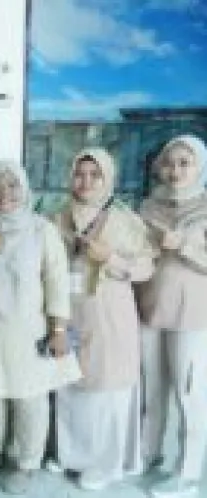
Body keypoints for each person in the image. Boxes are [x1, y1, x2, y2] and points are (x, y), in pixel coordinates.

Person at [0, 160, 81, 495]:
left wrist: (59, 330)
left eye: (12, 185)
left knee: (29, 399)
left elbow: (57, 282)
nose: (3, 193)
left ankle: (27, 463)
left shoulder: (41, 230)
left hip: (27, 333)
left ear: (24, 190)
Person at [49, 148, 153, 490]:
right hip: (69, 311)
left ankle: (105, 464)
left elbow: (146, 268)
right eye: (80, 174)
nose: (86, 181)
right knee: (70, 385)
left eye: (95, 175)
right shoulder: (57, 217)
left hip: (110, 314)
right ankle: (71, 455)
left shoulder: (125, 220)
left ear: (108, 179)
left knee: (107, 388)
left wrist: (111, 259)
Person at [138, 135, 207, 498]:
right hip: (151, 306)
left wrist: (185, 245)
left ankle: (187, 473)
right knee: (152, 388)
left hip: (192, 314)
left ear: (200, 167)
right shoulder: (150, 205)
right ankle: (148, 454)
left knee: (189, 393)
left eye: (185, 163)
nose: (175, 170)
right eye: (169, 162)